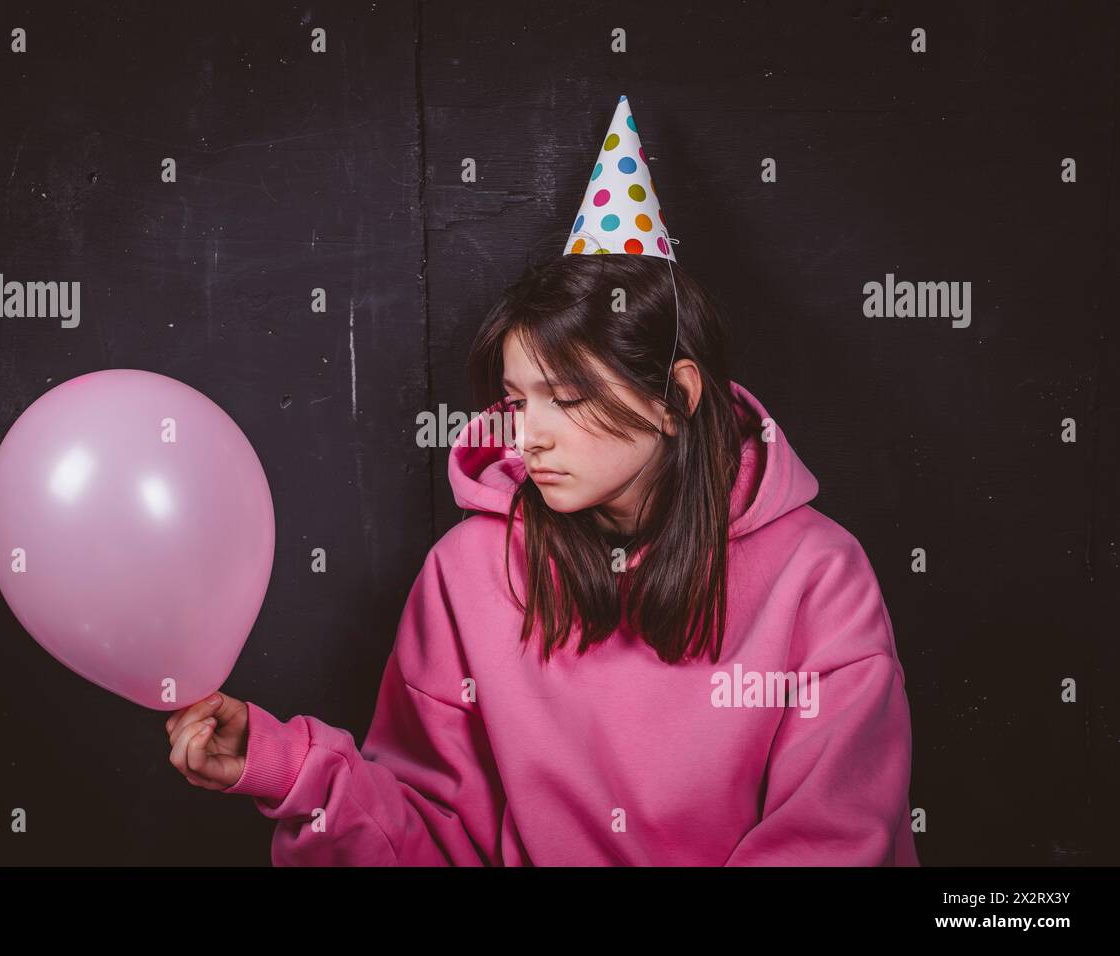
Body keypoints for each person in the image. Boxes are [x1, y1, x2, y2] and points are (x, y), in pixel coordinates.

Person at [164, 96, 920, 866]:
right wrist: (287, 769)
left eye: (567, 400)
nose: (527, 436)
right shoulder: (466, 574)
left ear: (676, 399)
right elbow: (430, 837)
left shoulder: (819, 577)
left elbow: (833, 842)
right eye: (518, 399)